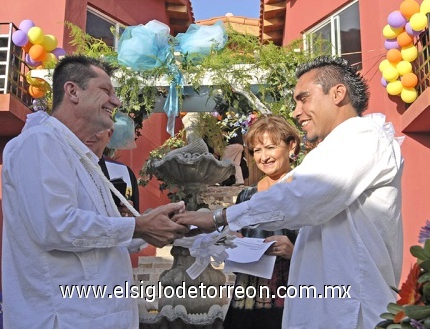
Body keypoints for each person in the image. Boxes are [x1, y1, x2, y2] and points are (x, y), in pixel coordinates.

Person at [173, 56, 404, 328]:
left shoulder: (364, 137)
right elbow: (292, 190)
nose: (296, 111)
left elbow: (298, 197)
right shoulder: (333, 149)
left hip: (351, 312)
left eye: (303, 98)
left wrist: (217, 217)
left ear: (338, 93)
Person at [1, 55, 189, 329]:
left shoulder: (78, 154)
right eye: (105, 91)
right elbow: (54, 227)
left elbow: (99, 236)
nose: (116, 101)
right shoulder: (39, 142)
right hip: (64, 318)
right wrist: (138, 226)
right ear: (72, 91)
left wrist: (152, 226)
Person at [223, 115, 300, 329]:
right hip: (246, 300)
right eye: (257, 150)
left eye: (270, 147)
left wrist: (294, 251)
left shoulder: (304, 193)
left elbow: (327, 250)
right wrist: (231, 242)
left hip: (290, 299)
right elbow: (230, 246)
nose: (263, 157)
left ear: (291, 146)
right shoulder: (246, 196)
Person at [85, 128, 140, 212]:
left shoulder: (123, 172)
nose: (90, 134)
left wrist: (127, 216)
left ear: (109, 135)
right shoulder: (62, 167)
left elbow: (136, 218)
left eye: (98, 127)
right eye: (85, 126)